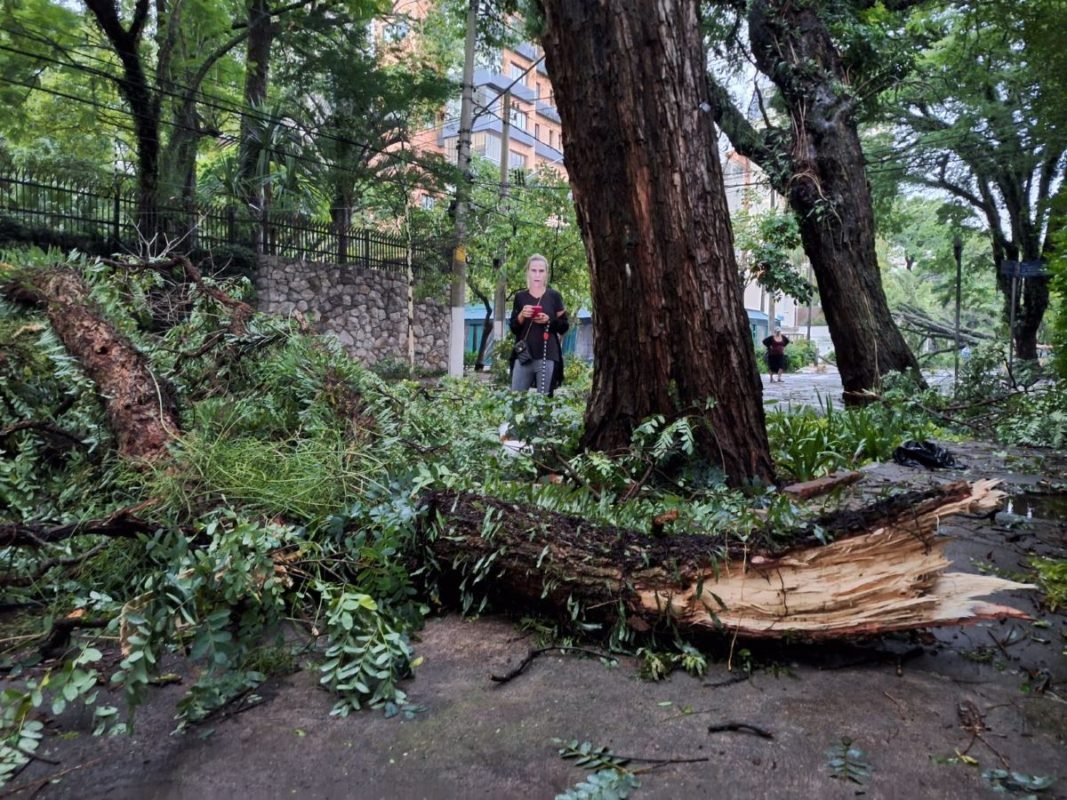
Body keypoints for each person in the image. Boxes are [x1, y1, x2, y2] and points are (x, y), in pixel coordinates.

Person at [509, 254, 569, 395]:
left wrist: (549, 320)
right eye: (534, 270)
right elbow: (513, 327)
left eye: (541, 271)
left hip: (547, 355)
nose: (537, 275)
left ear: (546, 273)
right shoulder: (520, 297)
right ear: (528, 272)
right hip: (524, 356)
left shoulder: (554, 296)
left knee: (544, 403)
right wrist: (522, 315)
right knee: (517, 400)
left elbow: (564, 326)